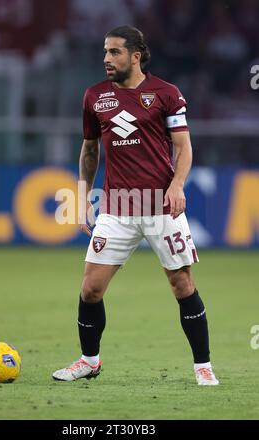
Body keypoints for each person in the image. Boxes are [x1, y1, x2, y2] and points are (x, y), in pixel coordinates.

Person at [52, 25, 219, 385]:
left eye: (114, 52)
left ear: (136, 56)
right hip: (116, 207)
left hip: (161, 207)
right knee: (90, 288)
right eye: (105, 52)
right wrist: (84, 197)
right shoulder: (94, 96)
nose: (106, 59)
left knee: (182, 284)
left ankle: (202, 366)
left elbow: (184, 147)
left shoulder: (166, 94)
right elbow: (90, 149)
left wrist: (177, 185)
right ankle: (89, 361)